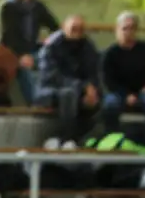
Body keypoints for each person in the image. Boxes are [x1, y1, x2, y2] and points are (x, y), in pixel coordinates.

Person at [37, 14, 101, 145]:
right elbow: (52, 76)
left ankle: (74, 139)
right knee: (69, 94)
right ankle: (67, 139)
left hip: (78, 89)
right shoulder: (51, 46)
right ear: (64, 28)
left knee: (100, 98)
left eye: (81, 29)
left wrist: (92, 88)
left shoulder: (87, 46)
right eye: (73, 29)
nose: (77, 33)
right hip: (50, 89)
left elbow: (93, 71)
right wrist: (83, 87)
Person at [99, 12, 145, 126]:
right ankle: (112, 134)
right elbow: (107, 81)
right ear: (117, 30)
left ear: (136, 30)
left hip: (143, 91)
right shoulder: (109, 53)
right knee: (110, 104)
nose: (128, 32)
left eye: (132, 28)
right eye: (124, 28)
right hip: (118, 92)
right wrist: (126, 95)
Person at [0, 0, 57, 104]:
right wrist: (21, 55)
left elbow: (55, 28)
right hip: (11, 52)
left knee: (51, 59)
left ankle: (55, 99)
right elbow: (8, 37)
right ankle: (36, 103)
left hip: (33, 50)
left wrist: (50, 40)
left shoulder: (37, 6)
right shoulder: (6, 7)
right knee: (25, 67)